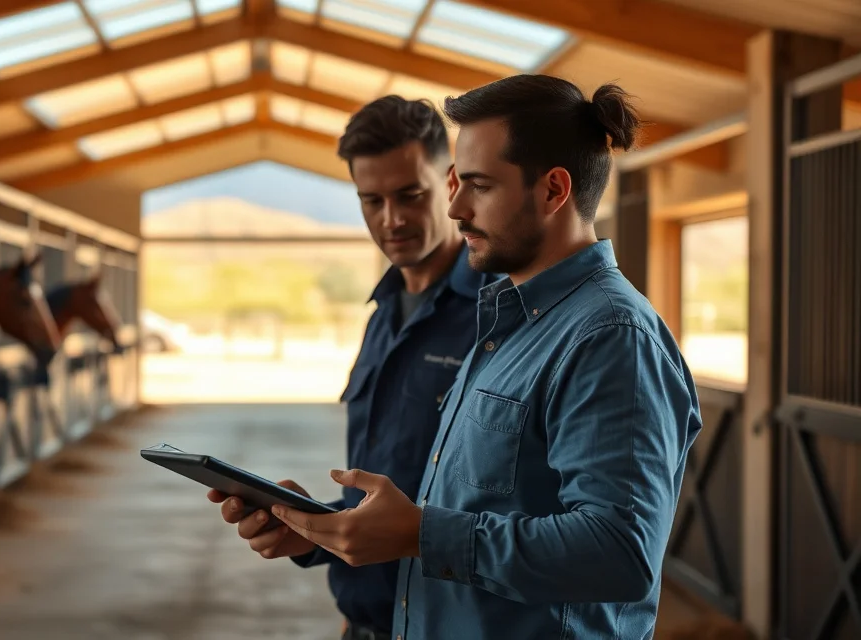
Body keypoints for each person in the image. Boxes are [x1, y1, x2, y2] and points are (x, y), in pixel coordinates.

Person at [262, 75, 703, 639]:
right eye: (455, 183)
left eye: (478, 186)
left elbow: (619, 552)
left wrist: (420, 534)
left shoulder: (611, 336)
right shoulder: (510, 322)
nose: (456, 207)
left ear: (552, 191)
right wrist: (328, 527)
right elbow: (457, 501)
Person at [207, 95, 499, 640]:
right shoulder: (382, 314)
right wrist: (309, 530)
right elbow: (381, 490)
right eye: (372, 200)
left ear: (452, 182)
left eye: (410, 195)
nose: (391, 219)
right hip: (364, 623)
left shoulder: (498, 313)